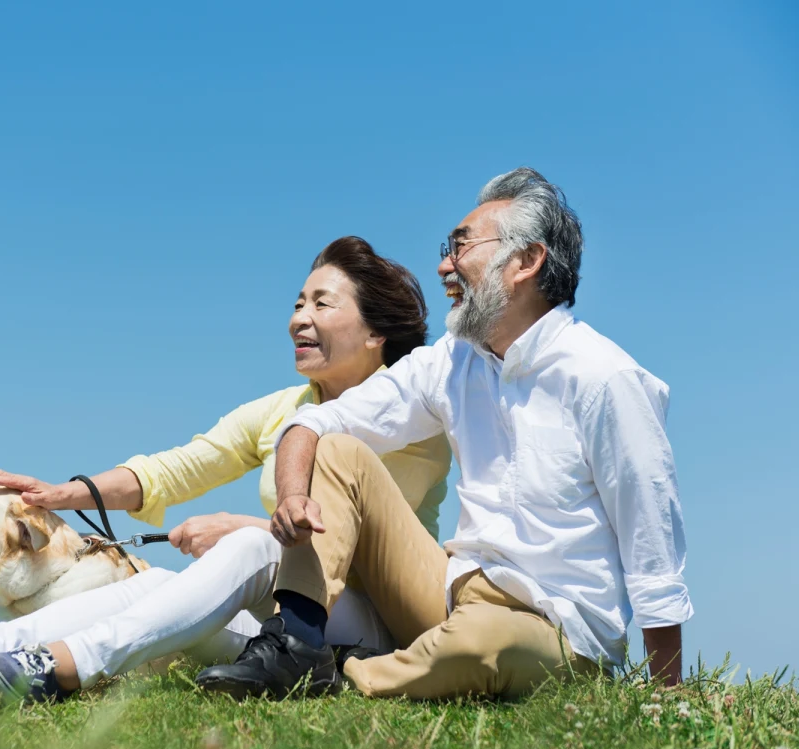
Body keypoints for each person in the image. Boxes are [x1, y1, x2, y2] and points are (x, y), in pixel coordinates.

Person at [197, 168, 693, 701]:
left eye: (461, 247)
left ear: (526, 261)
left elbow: (653, 546)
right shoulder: (453, 362)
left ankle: (350, 674)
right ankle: (296, 643)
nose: (443, 266)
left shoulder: (604, 379)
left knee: (478, 645)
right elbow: (314, 423)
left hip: (556, 629)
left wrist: (668, 697)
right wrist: (294, 495)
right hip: (452, 593)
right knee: (340, 450)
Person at [0, 236, 452, 702]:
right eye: (298, 302)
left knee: (251, 550)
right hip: (289, 622)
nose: (298, 319)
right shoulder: (287, 410)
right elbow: (176, 469)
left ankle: (56, 670)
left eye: (321, 305)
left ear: (377, 334)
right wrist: (61, 496)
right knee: (155, 582)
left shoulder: (416, 418)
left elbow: (348, 541)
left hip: (376, 625)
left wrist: (240, 529)